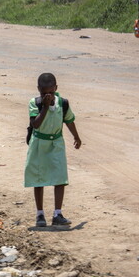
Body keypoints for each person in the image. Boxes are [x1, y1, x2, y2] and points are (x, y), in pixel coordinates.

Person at [24, 73, 81, 227]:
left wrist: (76, 137)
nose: (47, 96)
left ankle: (57, 213)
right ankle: (40, 214)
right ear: (38, 90)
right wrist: (45, 107)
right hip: (39, 144)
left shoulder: (63, 103)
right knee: (38, 178)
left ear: (56, 88)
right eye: (43, 93)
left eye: (50, 92)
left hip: (56, 143)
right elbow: (36, 124)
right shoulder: (34, 103)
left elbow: (69, 120)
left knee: (60, 178)